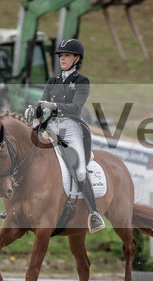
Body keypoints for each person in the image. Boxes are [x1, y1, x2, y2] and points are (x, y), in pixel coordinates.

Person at [33, 38, 105, 233]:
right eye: (61, 56)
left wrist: (54, 106)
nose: (62, 59)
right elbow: (42, 105)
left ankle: (94, 213)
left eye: (67, 56)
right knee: (30, 156)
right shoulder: (52, 81)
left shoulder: (82, 82)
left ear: (77, 58)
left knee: (81, 170)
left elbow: (75, 108)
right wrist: (35, 112)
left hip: (72, 128)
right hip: (52, 126)